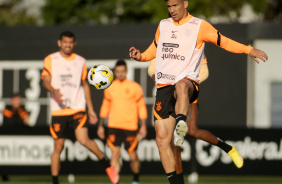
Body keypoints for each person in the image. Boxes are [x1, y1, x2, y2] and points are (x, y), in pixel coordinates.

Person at [129, 0, 268, 183]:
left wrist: (248, 49)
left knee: (184, 98)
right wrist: (140, 57)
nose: (172, 10)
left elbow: (223, 42)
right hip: (164, 89)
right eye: (169, 7)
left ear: (185, 3)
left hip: (187, 87)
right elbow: (154, 48)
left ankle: (184, 126)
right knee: (162, 142)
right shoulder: (163, 25)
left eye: (175, 6)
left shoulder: (199, 26)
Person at [41, 31, 119, 184]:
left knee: (84, 140)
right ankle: (55, 181)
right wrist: (52, 89)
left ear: (74, 44)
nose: (68, 45)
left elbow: (85, 84)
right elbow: (45, 79)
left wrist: (90, 109)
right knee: (58, 147)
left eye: (70, 42)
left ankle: (107, 164)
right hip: (58, 108)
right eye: (65, 42)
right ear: (59, 43)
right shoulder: (51, 59)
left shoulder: (80, 61)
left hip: (77, 107)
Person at [97, 59, 148, 184]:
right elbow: (105, 106)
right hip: (114, 125)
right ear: (114, 72)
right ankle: (115, 182)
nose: (120, 74)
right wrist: (100, 125)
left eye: (122, 71)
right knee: (115, 155)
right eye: (118, 71)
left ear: (126, 71)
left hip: (130, 126)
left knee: (133, 156)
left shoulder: (135, 87)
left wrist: (144, 126)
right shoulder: (110, 87)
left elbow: (141, 106)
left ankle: (136, 179)